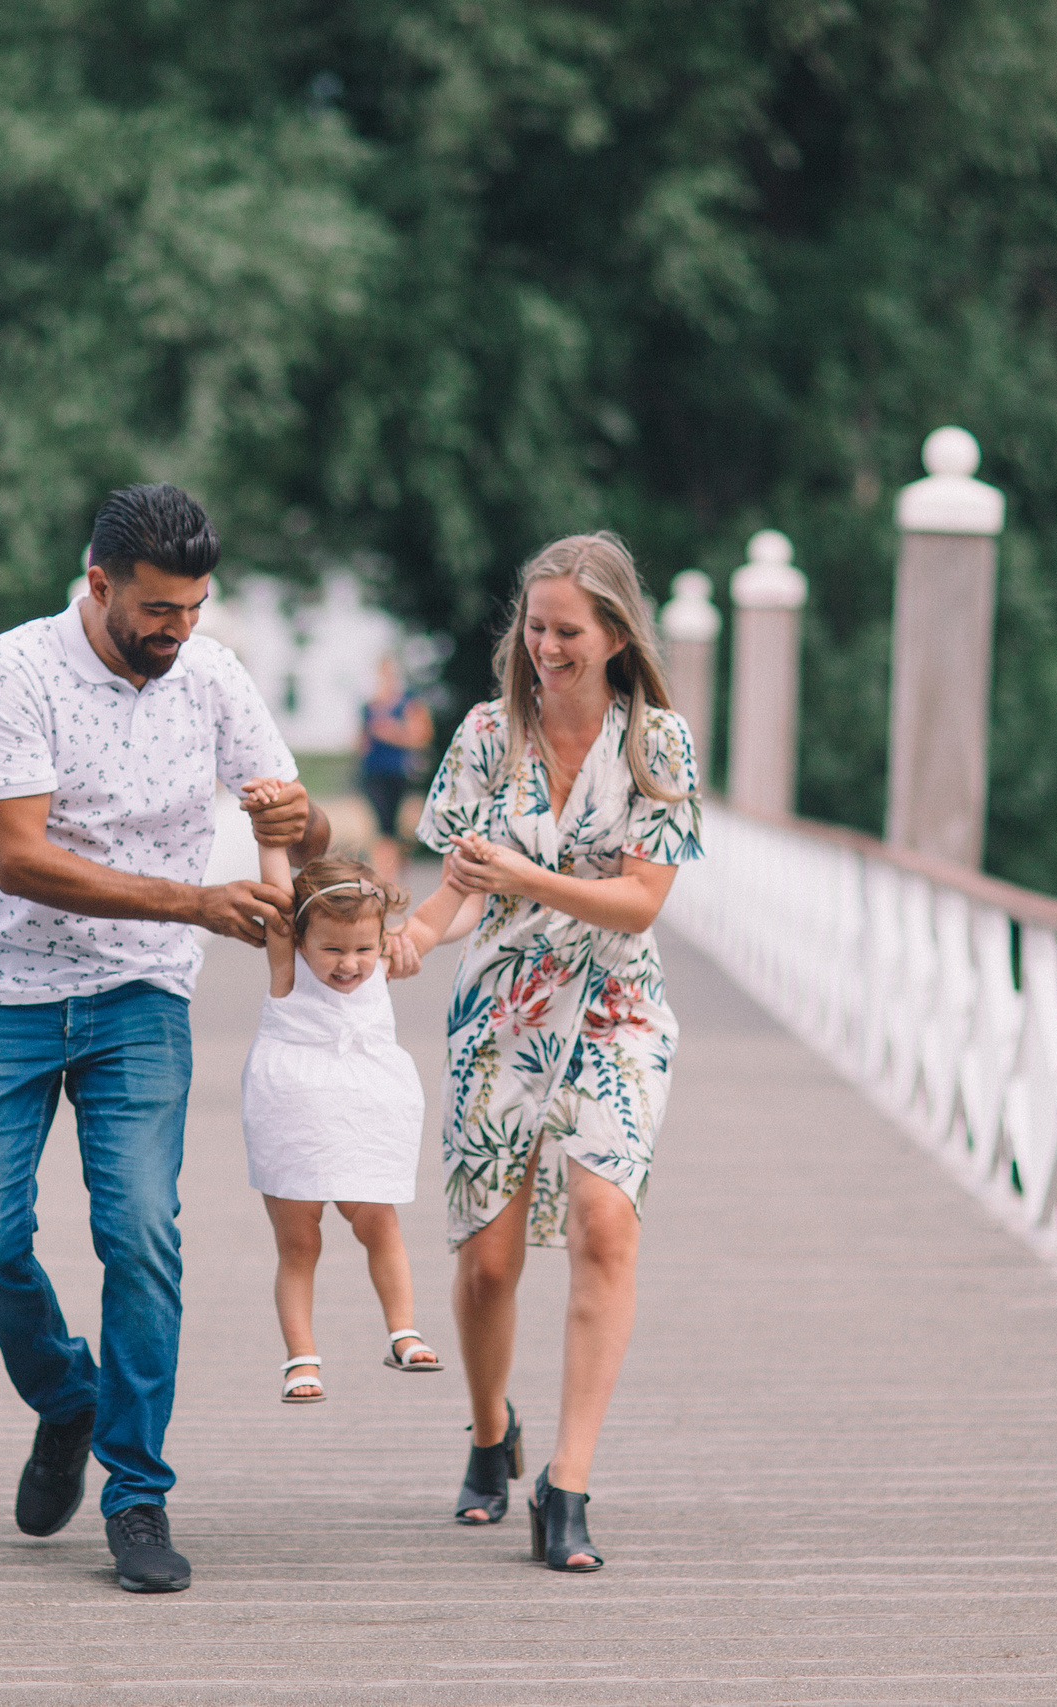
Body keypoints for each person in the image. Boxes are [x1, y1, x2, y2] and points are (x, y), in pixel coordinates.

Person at [0, 482, 330, 1595]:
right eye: (158, 609)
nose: (178, 630)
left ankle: (137, 1495)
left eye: (195, 607)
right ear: (97, 584)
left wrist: (306, 826)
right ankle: (69, 1398)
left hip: (137, 998)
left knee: (142, 1232)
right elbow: (20, 856)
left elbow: (293, 813)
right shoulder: (13, 672)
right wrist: (194, 901)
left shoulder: (210, 674)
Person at [387, 531, 702, 1574]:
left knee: (607, 1226)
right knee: (488, 1260)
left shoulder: (660, 746)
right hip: (502, 1009)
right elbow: (453, 894)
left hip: (616, 1005)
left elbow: (640, 899)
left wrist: (526, 876)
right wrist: (411, 936)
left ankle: (565, 1485)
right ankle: (490, 1435)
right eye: (535, 628)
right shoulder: (486, 734)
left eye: (568, 631)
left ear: (616, 634)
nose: (547, 649)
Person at [233, 796, 444, 1404]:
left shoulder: (380, 964)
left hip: (366, 1108)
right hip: (293, 1111)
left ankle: (402, 1330)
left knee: (380, 1221)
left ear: (379, 940)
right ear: (301, 938)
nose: (349, 965)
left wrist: (464, 875)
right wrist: (269, 829)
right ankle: (301, 1358)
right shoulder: (288, 967)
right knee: (301, 1242)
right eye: (332, 950)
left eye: (362, 950)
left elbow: (441, 911)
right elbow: (277, 890)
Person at [358, 655, 433, 885]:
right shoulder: (368, 706)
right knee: (382, 824)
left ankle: (394, 870)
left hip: (399, 772)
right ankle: (385, 875)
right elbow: (361, 741)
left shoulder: (409, 703)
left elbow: (422, 737)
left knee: (395, 824)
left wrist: (391, 733)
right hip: (373, 772)